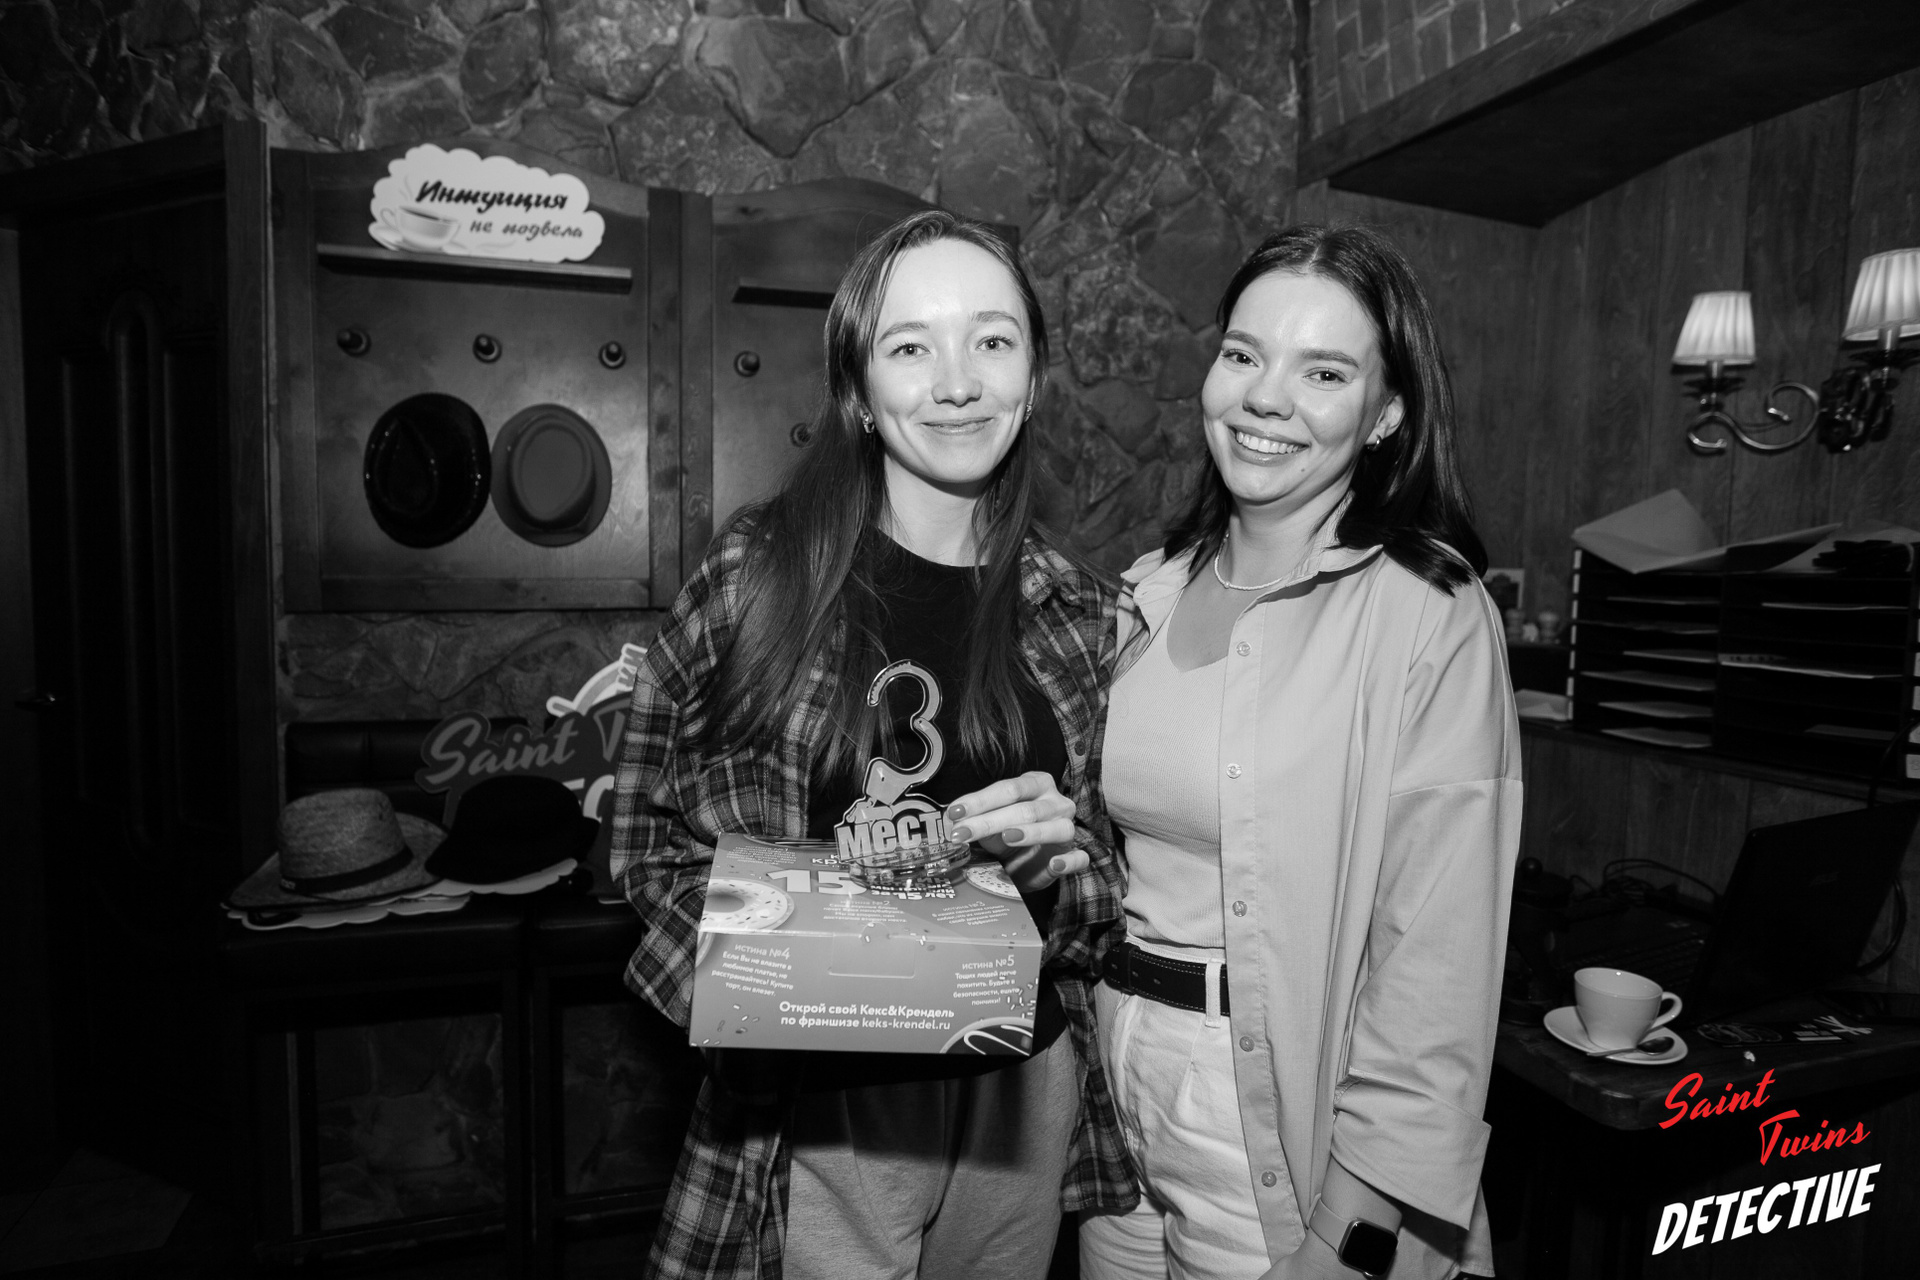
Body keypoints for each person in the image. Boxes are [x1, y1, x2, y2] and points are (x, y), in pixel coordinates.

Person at [609, 209, 1136, 1280]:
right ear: (857, 387)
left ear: (1033, 377)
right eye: (910, 347)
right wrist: (742, 987)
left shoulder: (1084, 613)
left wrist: (1050, 873)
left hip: (1019, 1085)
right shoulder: (761, 576)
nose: (958, 382)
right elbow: (642, 836)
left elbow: (1110, 886)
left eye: (992, 340)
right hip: (828, 1093)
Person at [1081, 225, 1521, 1280]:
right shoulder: (1145, 588)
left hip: (1270, 1123)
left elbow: (1436, 962)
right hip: (1111, 1095)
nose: (1265, 398)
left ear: (1387, 413)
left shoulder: (1429, 611)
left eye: (1324, 372)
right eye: (1244, 353)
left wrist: (1352, 1232)